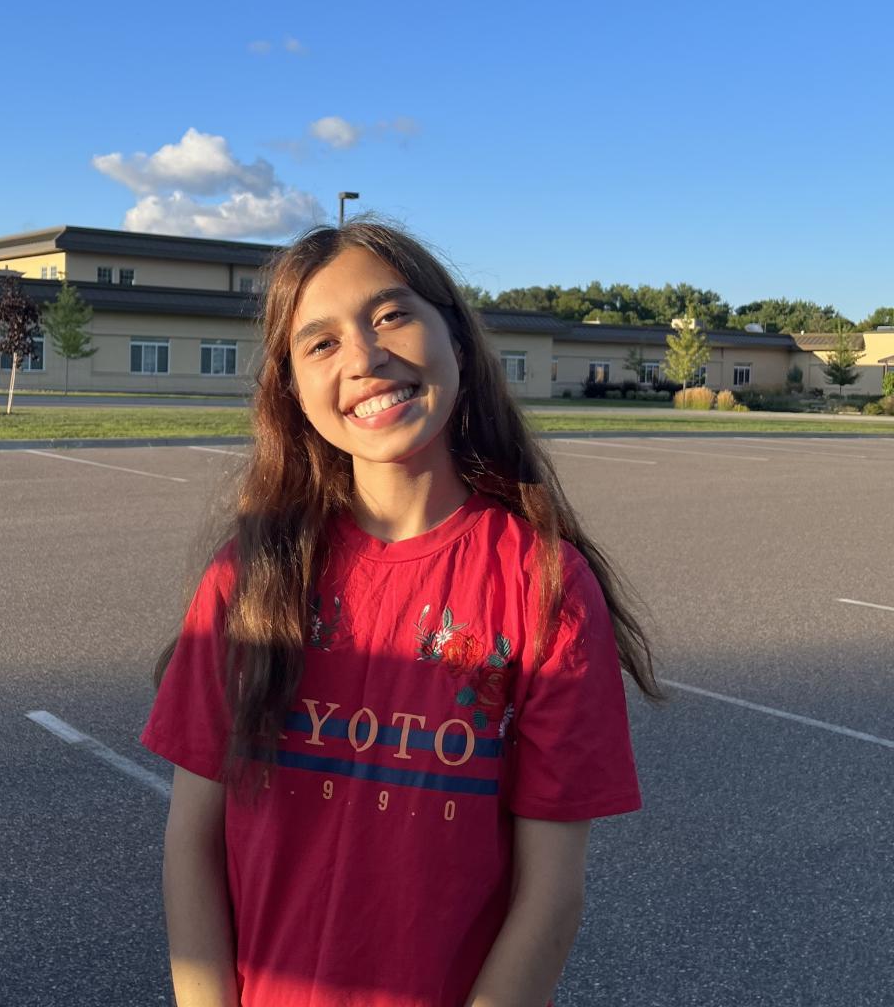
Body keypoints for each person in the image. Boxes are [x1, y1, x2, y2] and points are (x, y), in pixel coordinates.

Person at [141, 219, 662, 1007]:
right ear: (291, 389)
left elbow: (550, 896)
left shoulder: (545, 584)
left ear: (457, 339)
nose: (363, 357)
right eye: (321, 343)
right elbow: (192, 846)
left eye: (390, 315)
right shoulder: (247, 578)